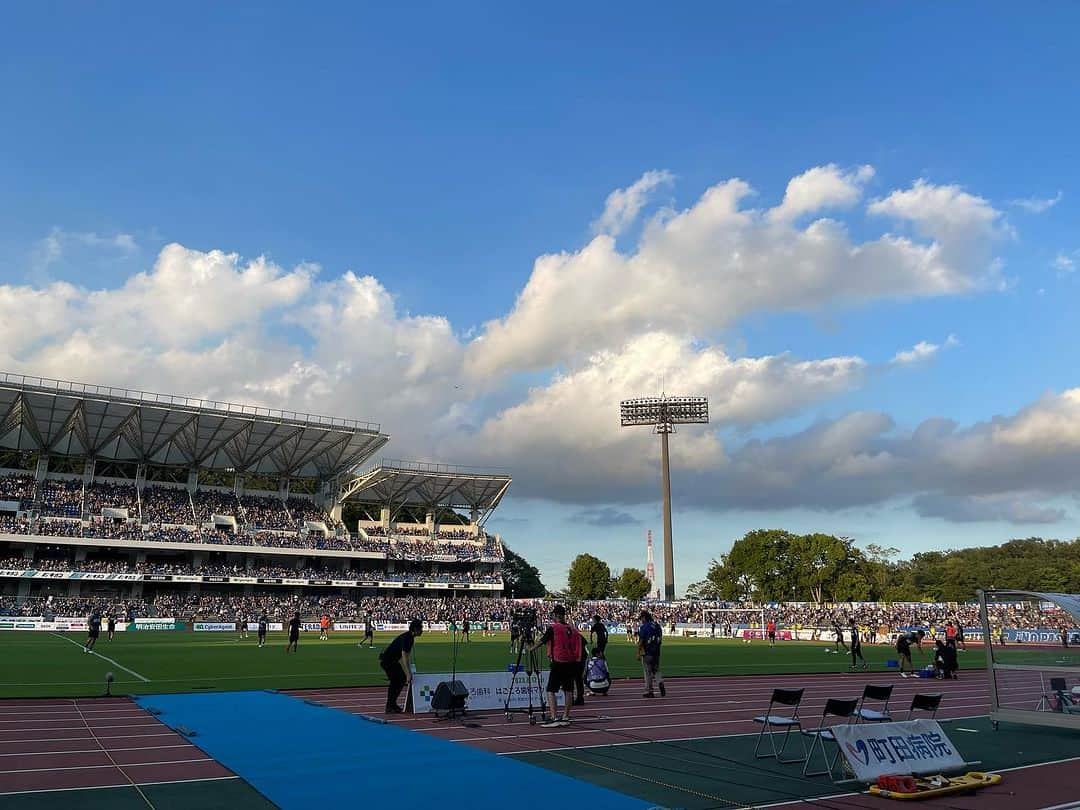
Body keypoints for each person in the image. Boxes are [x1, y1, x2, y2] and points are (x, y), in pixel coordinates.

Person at [528, 605, 581, 727]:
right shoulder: (572, 629)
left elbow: (542, 640)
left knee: (551, 690)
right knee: (568, 690)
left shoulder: (554, 628)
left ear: (556, 615)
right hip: (571, 662)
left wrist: (531, 649)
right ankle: (566, 716)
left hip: (559, 661)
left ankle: (554, 717)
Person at [379, 619, 424, 713]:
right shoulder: (408, 638)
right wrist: (408, 673)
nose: (422, 630)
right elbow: (405, 656)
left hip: (390, 660)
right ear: (415, 629)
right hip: (388, 661)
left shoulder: (408, 637)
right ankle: (390, 705)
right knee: (399, 680)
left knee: (397, 681)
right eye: (421, 628)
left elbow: (406, 655)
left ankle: (391, 705)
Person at [637, 610, 665, 698]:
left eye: (641, 618)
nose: (641, 620)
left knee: (647, 672)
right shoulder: (657, 625)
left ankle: (649, 691)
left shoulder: (644, 627)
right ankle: (660, 681)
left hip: (647, 652)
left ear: (644, 617)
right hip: (656, 652)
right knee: (656, 669)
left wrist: (638, 652)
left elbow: (641, 641)